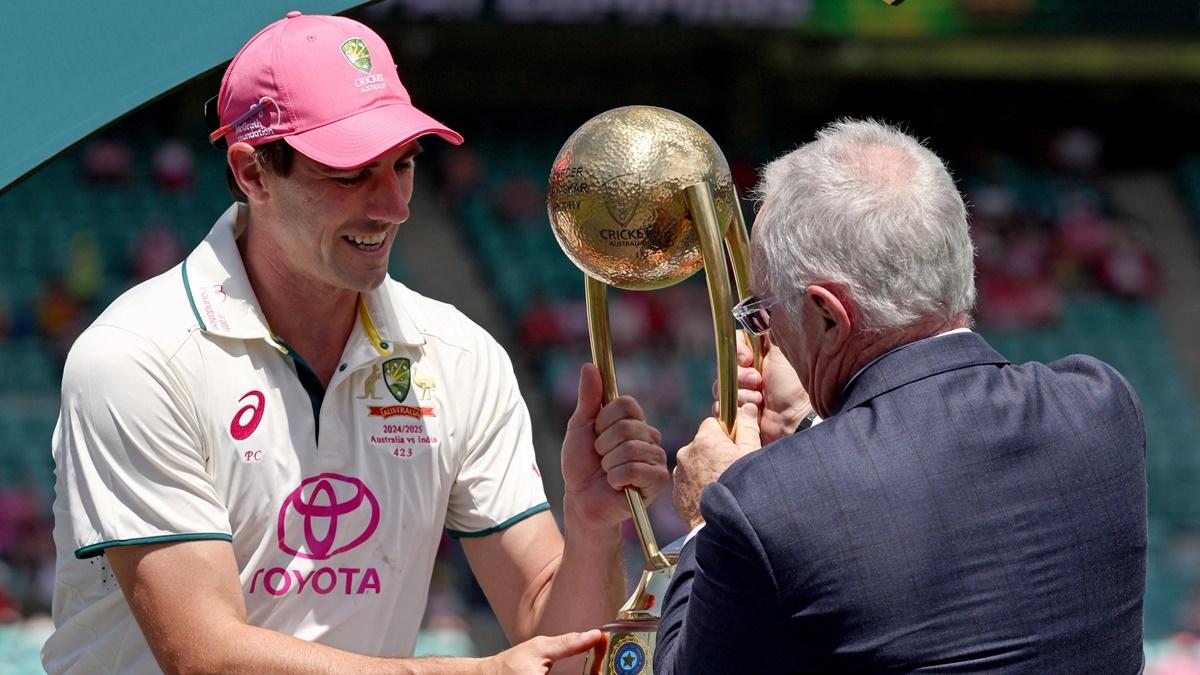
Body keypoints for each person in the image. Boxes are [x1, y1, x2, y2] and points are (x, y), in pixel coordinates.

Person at [44, 12, 668, 674]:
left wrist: (594, 527)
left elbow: (566, 658)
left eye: (403, 164)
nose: (392, 204)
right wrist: (476, 672)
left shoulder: (459, 355)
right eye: (350, 173)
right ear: (253, 173)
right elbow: (208, 659)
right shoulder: (136, 355)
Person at [656, 120, 1147, 674]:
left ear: (826, 316)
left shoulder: (761, 503)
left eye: (765, 312)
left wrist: (707, 514)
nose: (766, 332)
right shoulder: (1100, 408)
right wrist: (809, 425)